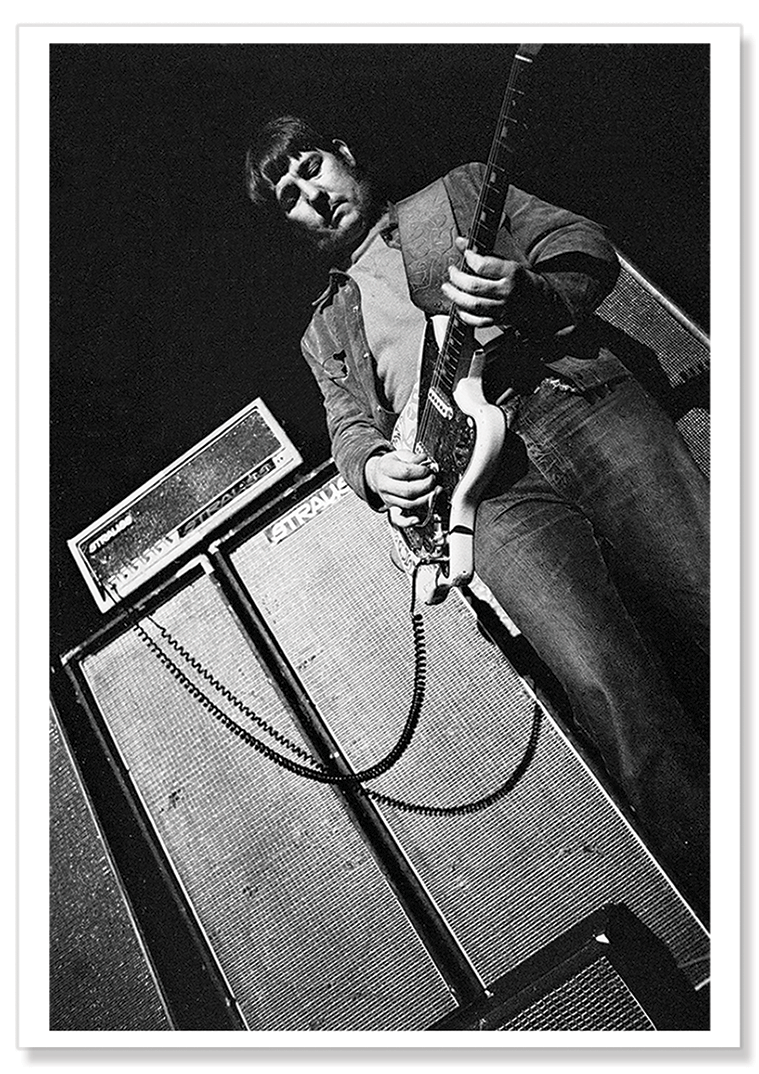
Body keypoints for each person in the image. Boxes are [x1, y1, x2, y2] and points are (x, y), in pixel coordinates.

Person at [244, 115, 710, 918]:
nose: (311, 197)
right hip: (484, 496)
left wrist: (528, 292)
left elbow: (580, 242)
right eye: (289, 197)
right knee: (603, 688)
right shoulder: (323, 331)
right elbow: (350, 429)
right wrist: (373, 469)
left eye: (310, 168)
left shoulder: (453, 197)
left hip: (566, 401)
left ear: (346, 156)